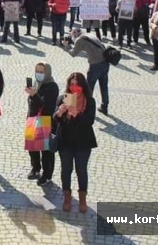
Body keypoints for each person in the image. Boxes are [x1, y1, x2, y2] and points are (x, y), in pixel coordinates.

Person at [54, 72, 97, 213]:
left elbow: (89, 121)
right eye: (71, 84)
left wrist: (77, 114)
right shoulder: (63, 98)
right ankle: (67, 197)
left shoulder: (89, 101)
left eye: (77, 84)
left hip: (83, 142)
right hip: (65, 140)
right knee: (66, 169)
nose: (74, 87)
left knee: (81, 170)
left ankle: (82, 198)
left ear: (82, 85)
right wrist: (60, 113)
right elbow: (55, 118)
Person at [25, 62, 58, 185]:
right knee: (32, 148)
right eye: (37, 71)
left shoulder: (52, 86)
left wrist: (34, 95)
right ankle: (35, 168)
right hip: (32, 119)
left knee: (45, 150)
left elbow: (46, 106)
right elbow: (31, 103)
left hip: (45, 121)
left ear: (47, 72)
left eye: (41, 72)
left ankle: (47, 174)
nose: (38, 74)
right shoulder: (36, 83)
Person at [67, 26, 110, 115]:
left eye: (73, 34)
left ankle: (87, 107)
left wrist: (67, 46)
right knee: (104, 85)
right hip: (105, 63)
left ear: (74, 34)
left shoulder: (79, 40)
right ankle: (104, 106)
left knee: (89, 87)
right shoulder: (89, 35)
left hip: (95, 66)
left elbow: (73, 54)